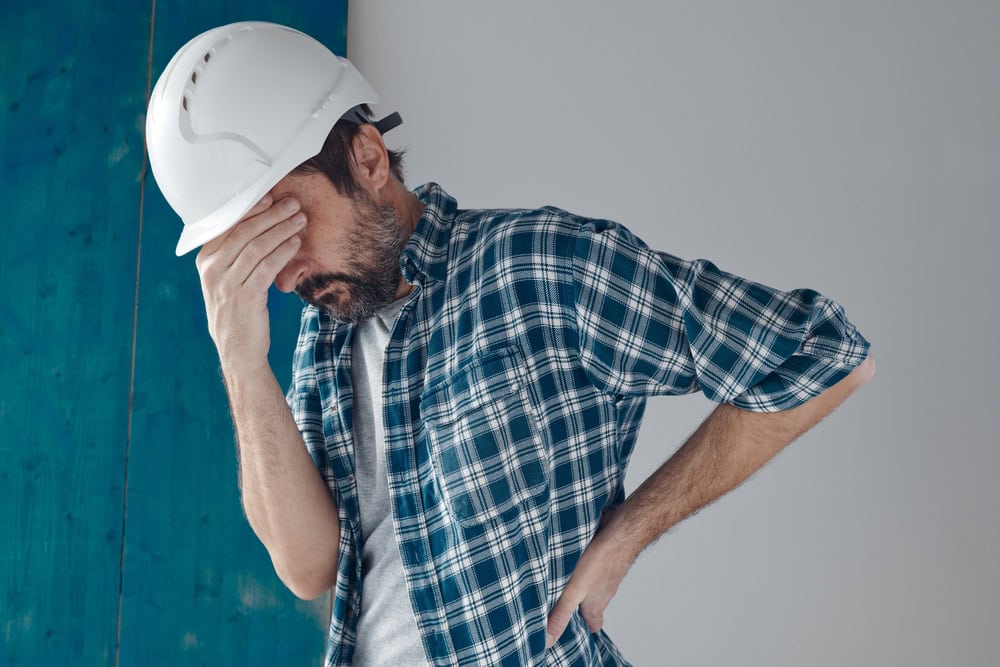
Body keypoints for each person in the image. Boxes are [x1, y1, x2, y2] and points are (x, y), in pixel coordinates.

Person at [146, 21, 875, 667]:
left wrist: (630, 530)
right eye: (254, 249)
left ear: (367, 159)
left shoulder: (539, 267)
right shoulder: (327, 328)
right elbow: (310, 568)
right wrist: (241, 361)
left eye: (286, 223)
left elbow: (824, 355)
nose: (284, 275)